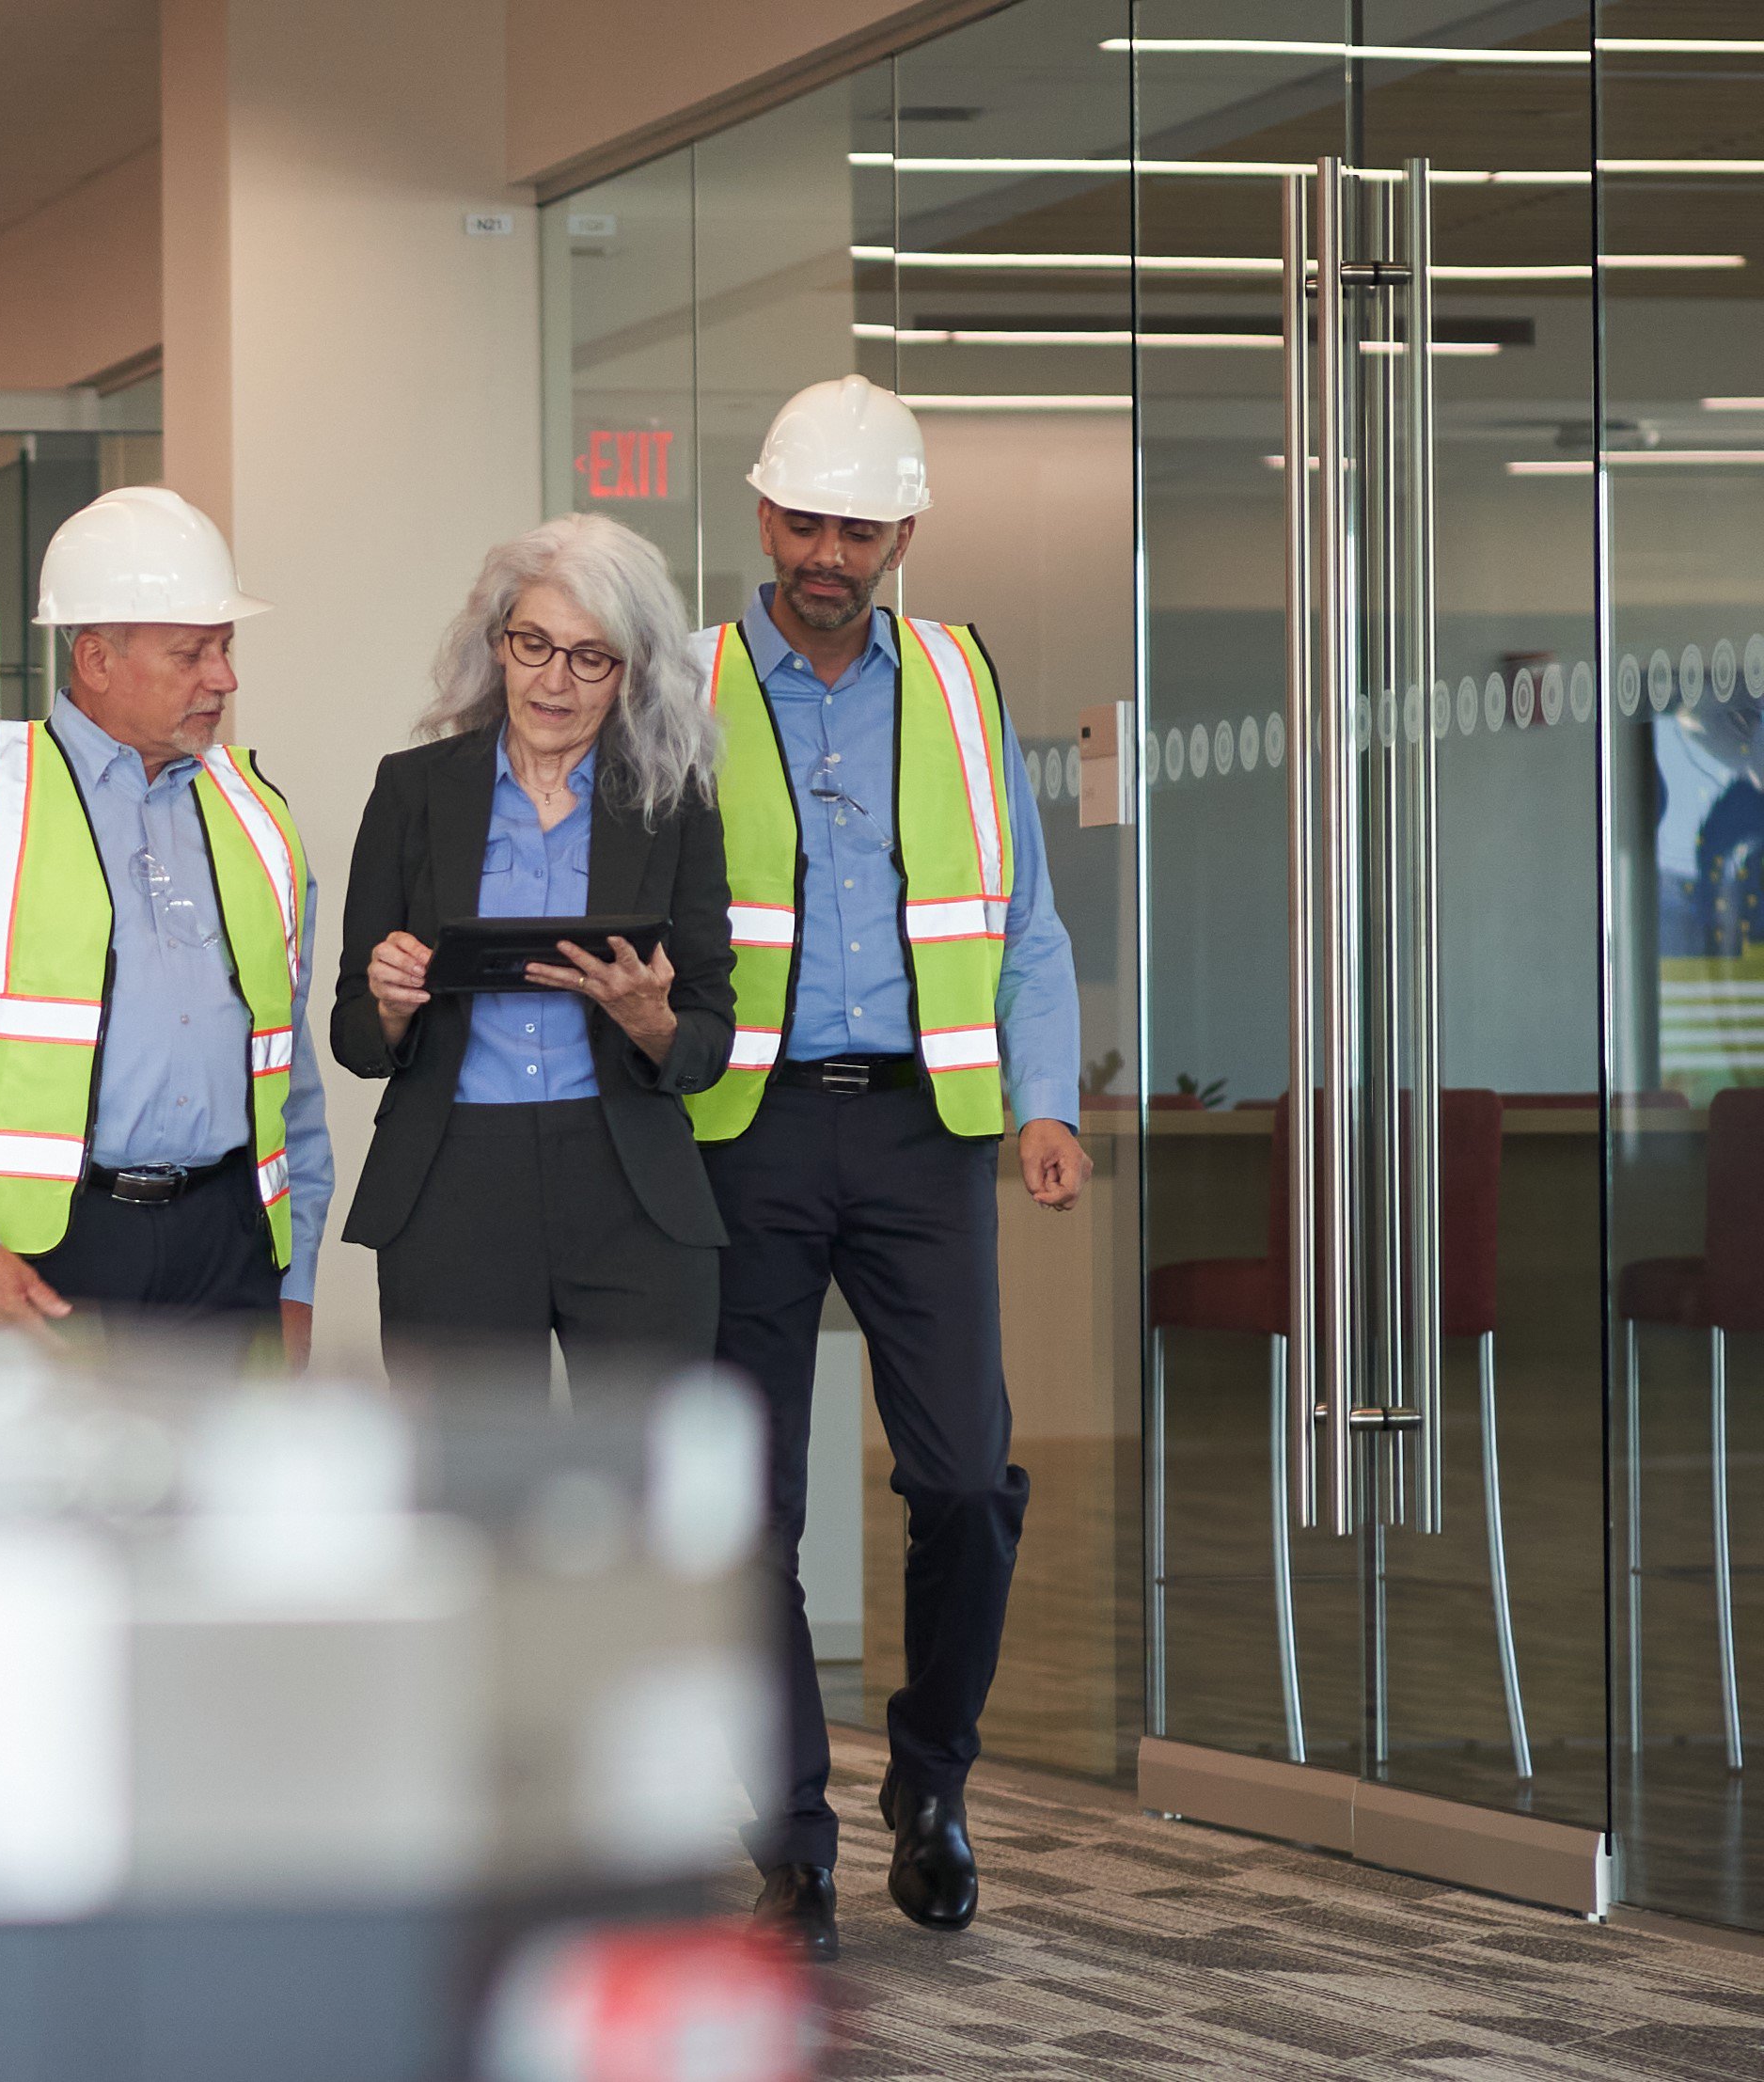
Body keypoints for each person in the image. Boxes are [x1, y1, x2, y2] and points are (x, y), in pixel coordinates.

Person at [694, 376, 1086, 1960]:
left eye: (858, 527)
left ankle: (930, 1783)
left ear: (904, 531)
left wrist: (1042, 1099)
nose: (827, 553)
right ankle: (790, 1834)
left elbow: (1023, 917)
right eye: (803, 521)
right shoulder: (691, 680)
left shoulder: (959, 676)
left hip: (929, 1127)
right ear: (762, 514)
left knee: (962, 1483)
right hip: (743, 1127)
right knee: (747, 1504)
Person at [0, 485, 331, 1364]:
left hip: (227, 1252)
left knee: (211, 1501)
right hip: (36, 1255)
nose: (223, 678)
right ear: (97, 658)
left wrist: (295, 1278)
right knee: (41, 1498)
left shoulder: (258, 816)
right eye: (190, 653)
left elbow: (288, 1074)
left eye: (224, 649)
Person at [332, 515, 732, 1392]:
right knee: (465, 1491)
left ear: (632, 673)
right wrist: (392, 1006)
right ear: (498, 646)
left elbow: (710, 1042)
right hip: (453, 1182)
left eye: (591, 656)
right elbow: (354, 1037)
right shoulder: (412, 790)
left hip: (629, 1186)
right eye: (534, 645)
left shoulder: (674, 803)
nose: (555, 681)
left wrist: (652, 1022)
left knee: (644, 1495)